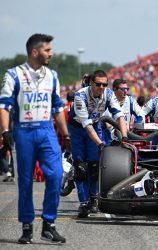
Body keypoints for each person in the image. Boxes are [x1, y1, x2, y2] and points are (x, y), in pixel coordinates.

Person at [0, 33, 70, 244]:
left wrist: (66, 135)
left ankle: (49, 225)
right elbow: (4, 106)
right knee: (25, 182)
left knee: (57, 175)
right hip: (24, 132)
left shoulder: (53, 75)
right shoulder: (14, 75)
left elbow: (58, 108)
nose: (51, 53)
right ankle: (27, 227)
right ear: (34, 52)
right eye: (47, 50)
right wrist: (5, 131)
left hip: (47, 130)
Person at [68, 70, 127, 218]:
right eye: (98, 84)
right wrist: (101, 145)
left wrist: (125, 137)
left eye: (105, 84)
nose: (102, 87)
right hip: (78, 129)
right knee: (81, 168)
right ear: (91, 83)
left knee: (94, 167)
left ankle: (94, 198)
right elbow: (86, 126)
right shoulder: (80, 96)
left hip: (95, 126)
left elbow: (119, 116)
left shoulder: (108, 94)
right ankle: (83, 203)